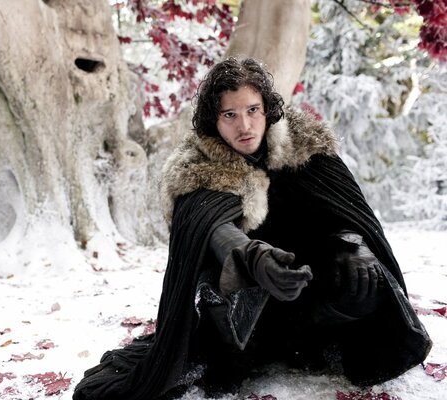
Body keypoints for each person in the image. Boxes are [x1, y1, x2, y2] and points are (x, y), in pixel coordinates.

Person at [73, 57, 432, 400]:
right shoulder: (196, 169)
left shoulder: (308, 148)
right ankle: (253, 350)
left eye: (252, 110)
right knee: (220, 293)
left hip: (313, 291)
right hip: (249, 307)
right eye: (230, 115)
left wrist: (354, 242)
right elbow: (211, 230)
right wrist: (252, 258)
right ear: (214, 120)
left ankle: (321, 342)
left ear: (267, 109)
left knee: (364, 277)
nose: (244, 126)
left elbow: (349, 215)